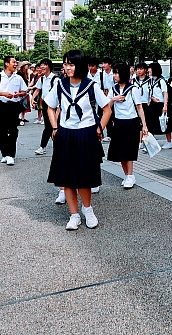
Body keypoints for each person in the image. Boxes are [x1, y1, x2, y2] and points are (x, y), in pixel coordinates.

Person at [46, 50, 112, 230]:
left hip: (86, 134)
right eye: (65, 64)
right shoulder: (60, 85)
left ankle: (88, 210)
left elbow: (107, 110)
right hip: (66, 134)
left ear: (80, 65)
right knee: (66, 178)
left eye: (71, 64)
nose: (67, 68)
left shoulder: (91, 86)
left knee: (84, 177)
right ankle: (74, 215)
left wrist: (100, 128)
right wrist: (54, 127)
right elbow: (50, 107)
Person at [107, 63, 148, 189]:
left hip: (131, 123)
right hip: (118, 123)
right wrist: (113, 99)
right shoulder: (113, 89)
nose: (115, 75)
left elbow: (139, 107)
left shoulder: (133, 89)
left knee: (128, 151)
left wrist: (144, 126)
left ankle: (130, 175)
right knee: (120, 152)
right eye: (114, 73)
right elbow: (107, 108)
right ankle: (127, 175)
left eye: (117, 73)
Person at [0, 56, 28, 166]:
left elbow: (24, 91)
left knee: (13, 130)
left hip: (14, 106)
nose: (15, 64)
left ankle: (11, 155)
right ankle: (4, 154)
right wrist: (4, 94)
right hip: (1, 106)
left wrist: (18, 94)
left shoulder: (18, 78)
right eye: (14, 62)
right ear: (6, 64)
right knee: (2, 130)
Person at [34, 60, 58, 156]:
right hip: (45, 104)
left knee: (54, 126)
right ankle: (43, 147)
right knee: (48, 126)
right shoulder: (42, 79)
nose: (42, 67)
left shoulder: (55, 79)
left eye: (44, 65)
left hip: (54, 105)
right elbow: (38, 89)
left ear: (49, 66)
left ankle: (52, 147)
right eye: (41, 65)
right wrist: (33, 98)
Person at [146, 62, 169, 139]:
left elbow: (165, 93)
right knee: (150, 123)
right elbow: (149, 92)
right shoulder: (150, 80)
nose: (148, 70)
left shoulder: (161, 81)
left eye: (150, 68)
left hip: (160, 104)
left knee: (163, 122)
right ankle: (150, 143)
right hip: (153, 104)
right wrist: (151, 98)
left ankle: (169, 141)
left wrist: (165, 106)